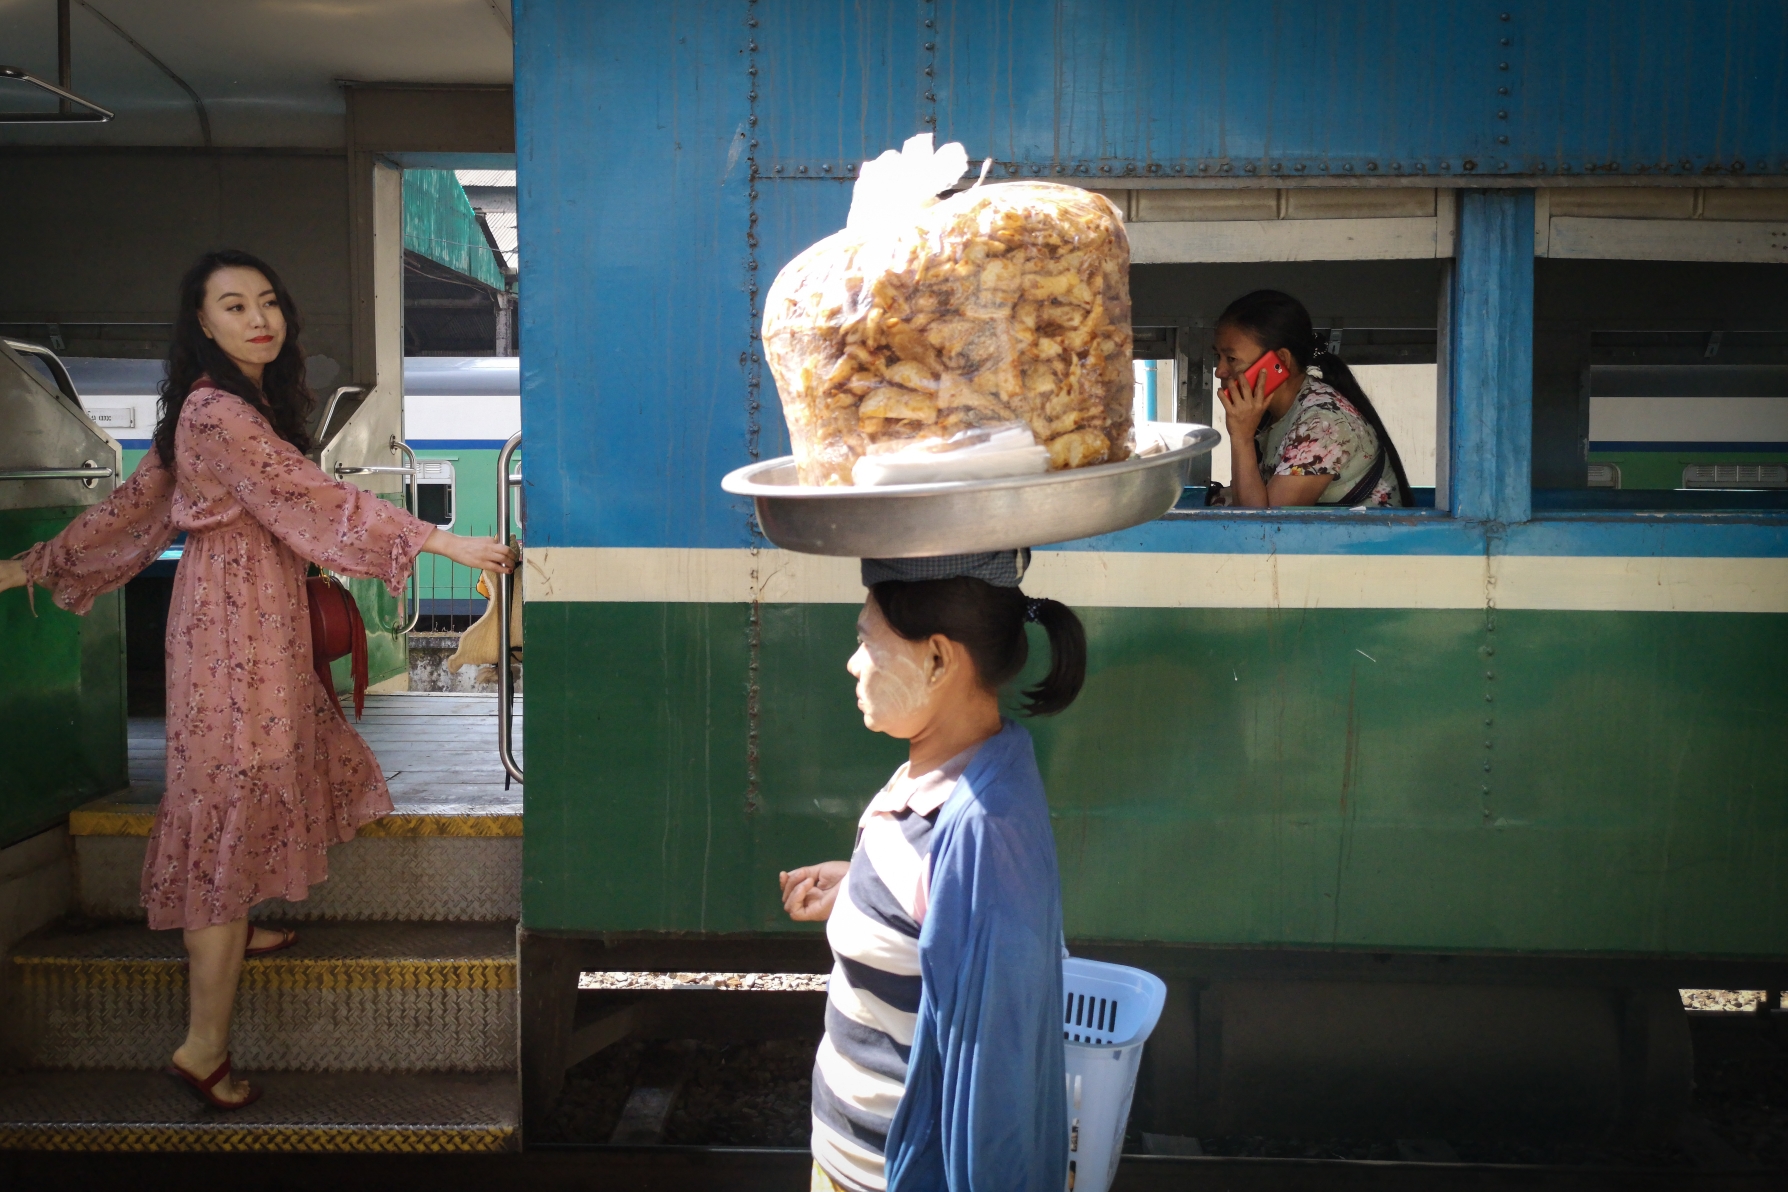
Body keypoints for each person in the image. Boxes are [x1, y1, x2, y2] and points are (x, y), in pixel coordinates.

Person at [0, 249, 513, 1109]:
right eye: (233, 306)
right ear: (203, 324)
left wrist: (28, 566)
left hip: (239, 615)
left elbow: (133, 508)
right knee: (235, 788)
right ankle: (204, 1044)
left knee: (249, 770)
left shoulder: (219, 408)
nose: (257, 319)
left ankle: (236, 918)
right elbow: (314, 499)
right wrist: (448, 542)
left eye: (266, 301)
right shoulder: (218, 413)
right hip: (236, 621)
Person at [778, 550, 1084, 1192]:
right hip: (844, 1164)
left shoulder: (985, 831)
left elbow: (996, 1087)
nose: (852, 663)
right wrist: (863, 889)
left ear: (938, 659)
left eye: (867, 642)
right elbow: (930, 911)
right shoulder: (945, 766)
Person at [1211, 289, 1413, 508]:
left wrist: (1241, 436)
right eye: (1218, 357)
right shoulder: (1275, 415)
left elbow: (1263, 530)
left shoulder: (1323, 423)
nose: (1220, 371)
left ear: (1279, 361)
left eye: (1231, 359)